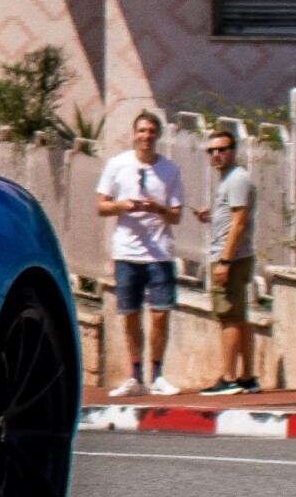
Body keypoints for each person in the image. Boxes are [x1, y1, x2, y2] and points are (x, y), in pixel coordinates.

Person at [96, 109, 184, 397]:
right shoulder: (117, 164)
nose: (146, 136)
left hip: (159, 253)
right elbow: (101, 206)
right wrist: (124, 206)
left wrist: (156, 207)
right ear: (134, 134)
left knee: (160, 314)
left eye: (151, 131)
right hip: (127, 251)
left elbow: (176, 216)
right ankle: (135, 375)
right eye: (142, 131)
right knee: (130, 314)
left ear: (158, 136)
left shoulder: (170, 169)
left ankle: (157, 373)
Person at [194, 129, 260, 395]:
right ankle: (247, 376)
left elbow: (239, 222)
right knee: (239, 317)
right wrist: (211, 214)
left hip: (230, 257)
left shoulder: (236, 179)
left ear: (233, 151)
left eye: (222, 149)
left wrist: (224, 261)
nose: (216, 155)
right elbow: (231, 215)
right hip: (234, 256)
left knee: (228, 317)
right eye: (212, 151)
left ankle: (229, 377)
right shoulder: (231, 181)